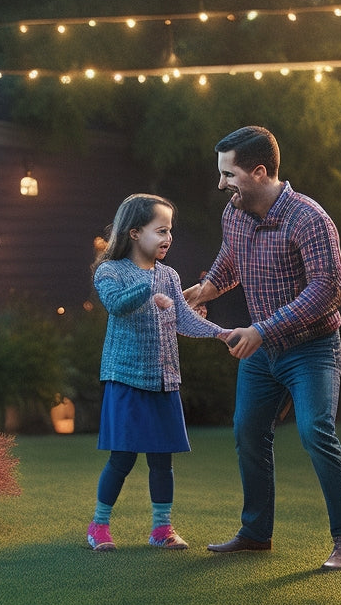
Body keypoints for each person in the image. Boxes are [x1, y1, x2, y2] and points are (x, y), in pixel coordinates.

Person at [184, 125, 341, 570]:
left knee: (314, 432)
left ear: (259, 172)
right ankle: (256, 533)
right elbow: (231, 259)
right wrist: (204, 290)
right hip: (264, 352)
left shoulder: (310, 219)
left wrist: (261, 329)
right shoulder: (235, 213)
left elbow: (328, 290)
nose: (221, 184)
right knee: (248, 431)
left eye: (229, 174)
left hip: (311, 348)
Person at [87, 193, 234, 551]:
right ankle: (99, 527)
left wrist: (221, 333)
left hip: (164, 379)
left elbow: (183, 318)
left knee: (162, 461)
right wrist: (147, 291)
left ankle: (161, 529)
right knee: (122, 458)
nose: (168, 238)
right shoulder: (110, 271)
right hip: (126, 377)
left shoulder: (169, 276)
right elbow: (116, 305)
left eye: (170, 231)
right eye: (161, 230)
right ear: (135, 232)